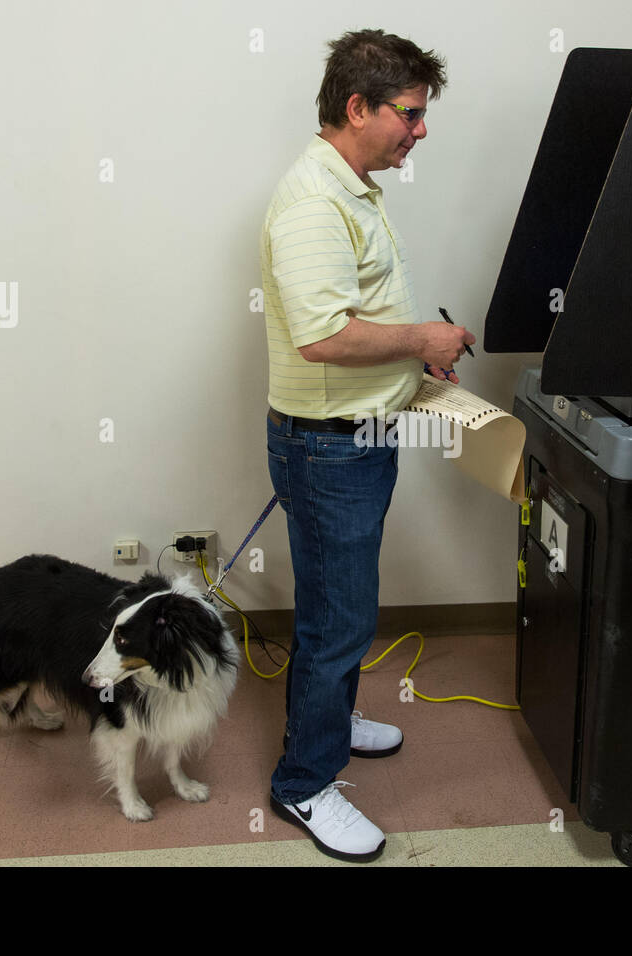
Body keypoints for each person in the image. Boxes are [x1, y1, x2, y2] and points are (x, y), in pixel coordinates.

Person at [259, 28, 472, 862]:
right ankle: (304, 784)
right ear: (358, 107)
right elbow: (323, 337)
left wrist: (419, 358)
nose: (420, 131)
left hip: (357, 438)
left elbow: (355, 318)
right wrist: (426, 335)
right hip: (329, 449)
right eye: (411, 115)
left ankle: (336, 717)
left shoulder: (351, 186)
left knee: (340, 608)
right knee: (337, 621)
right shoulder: (315, 202)